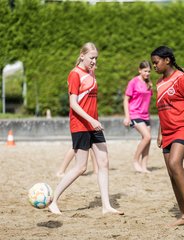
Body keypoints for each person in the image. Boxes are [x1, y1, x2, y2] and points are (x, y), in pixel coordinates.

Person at [49, 42, 123, 215]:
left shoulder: (91, 72)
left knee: (104, 162)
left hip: (93, 124)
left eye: (96, 58)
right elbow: (73, 104)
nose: (94, 61)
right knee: (81, 167)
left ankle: (106, 206)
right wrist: (91, 120)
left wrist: (92, 71)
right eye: (91, 57)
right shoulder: (74, 74)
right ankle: (54, 200)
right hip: (81, 125)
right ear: (82, 56)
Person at [151, 46, 184, 226]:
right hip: (167, 131)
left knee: (174, 163)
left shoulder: (181, 78)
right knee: (172, 172)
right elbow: (162, 110)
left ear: (167, 60)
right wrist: (160, 132)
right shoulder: (160, 83)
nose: (154, 66)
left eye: (156, 62)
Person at [123, 61, 153, 173]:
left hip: (146, 115)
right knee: (147, 137)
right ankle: (135, 160)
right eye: (145, 71)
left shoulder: (149, 83)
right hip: (135, 114)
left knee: (148, 141)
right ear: (139, 70)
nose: (147, 73)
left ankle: (144, 166)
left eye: (149, 71)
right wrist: (127, 117)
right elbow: (126, 100)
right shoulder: (133, 82)